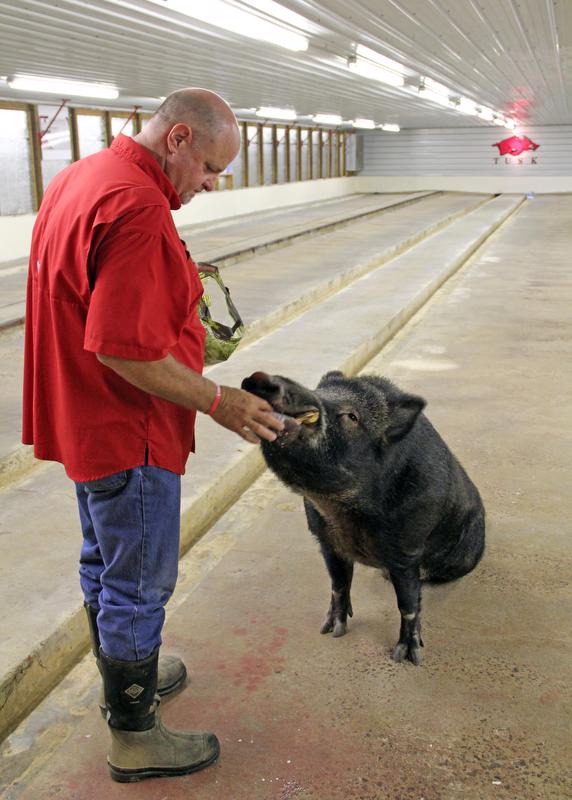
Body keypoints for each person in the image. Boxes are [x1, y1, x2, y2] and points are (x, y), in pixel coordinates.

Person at [22, 88, 284, 783]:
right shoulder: (136, 207)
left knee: (104, 559)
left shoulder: (84, 175)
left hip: (84, 419)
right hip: (126, 427)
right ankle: (134, 734)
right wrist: (216, 400)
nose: (209, 184)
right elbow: (122, 349)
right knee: (140, 580)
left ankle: (124, 674)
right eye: (209, 168)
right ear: (177, 140)